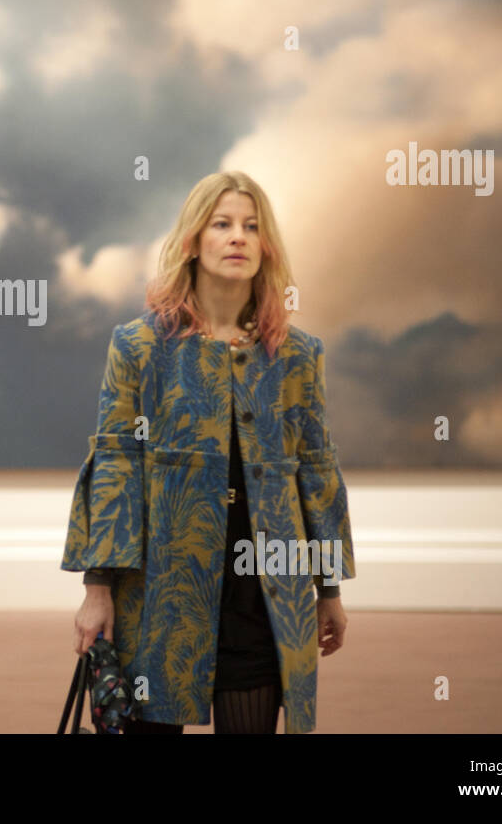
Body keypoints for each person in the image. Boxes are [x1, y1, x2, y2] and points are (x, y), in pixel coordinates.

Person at [61, 171, 354, 734]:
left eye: (251, 227)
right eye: (222, 225)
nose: (238, 237)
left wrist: (329, 588)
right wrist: (97, 590)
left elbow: (316, 475)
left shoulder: (297, 356)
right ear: (194, 241)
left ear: (266, 247)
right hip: (160, 593)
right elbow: (116, 470)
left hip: (264, 599)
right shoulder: (140, 347)